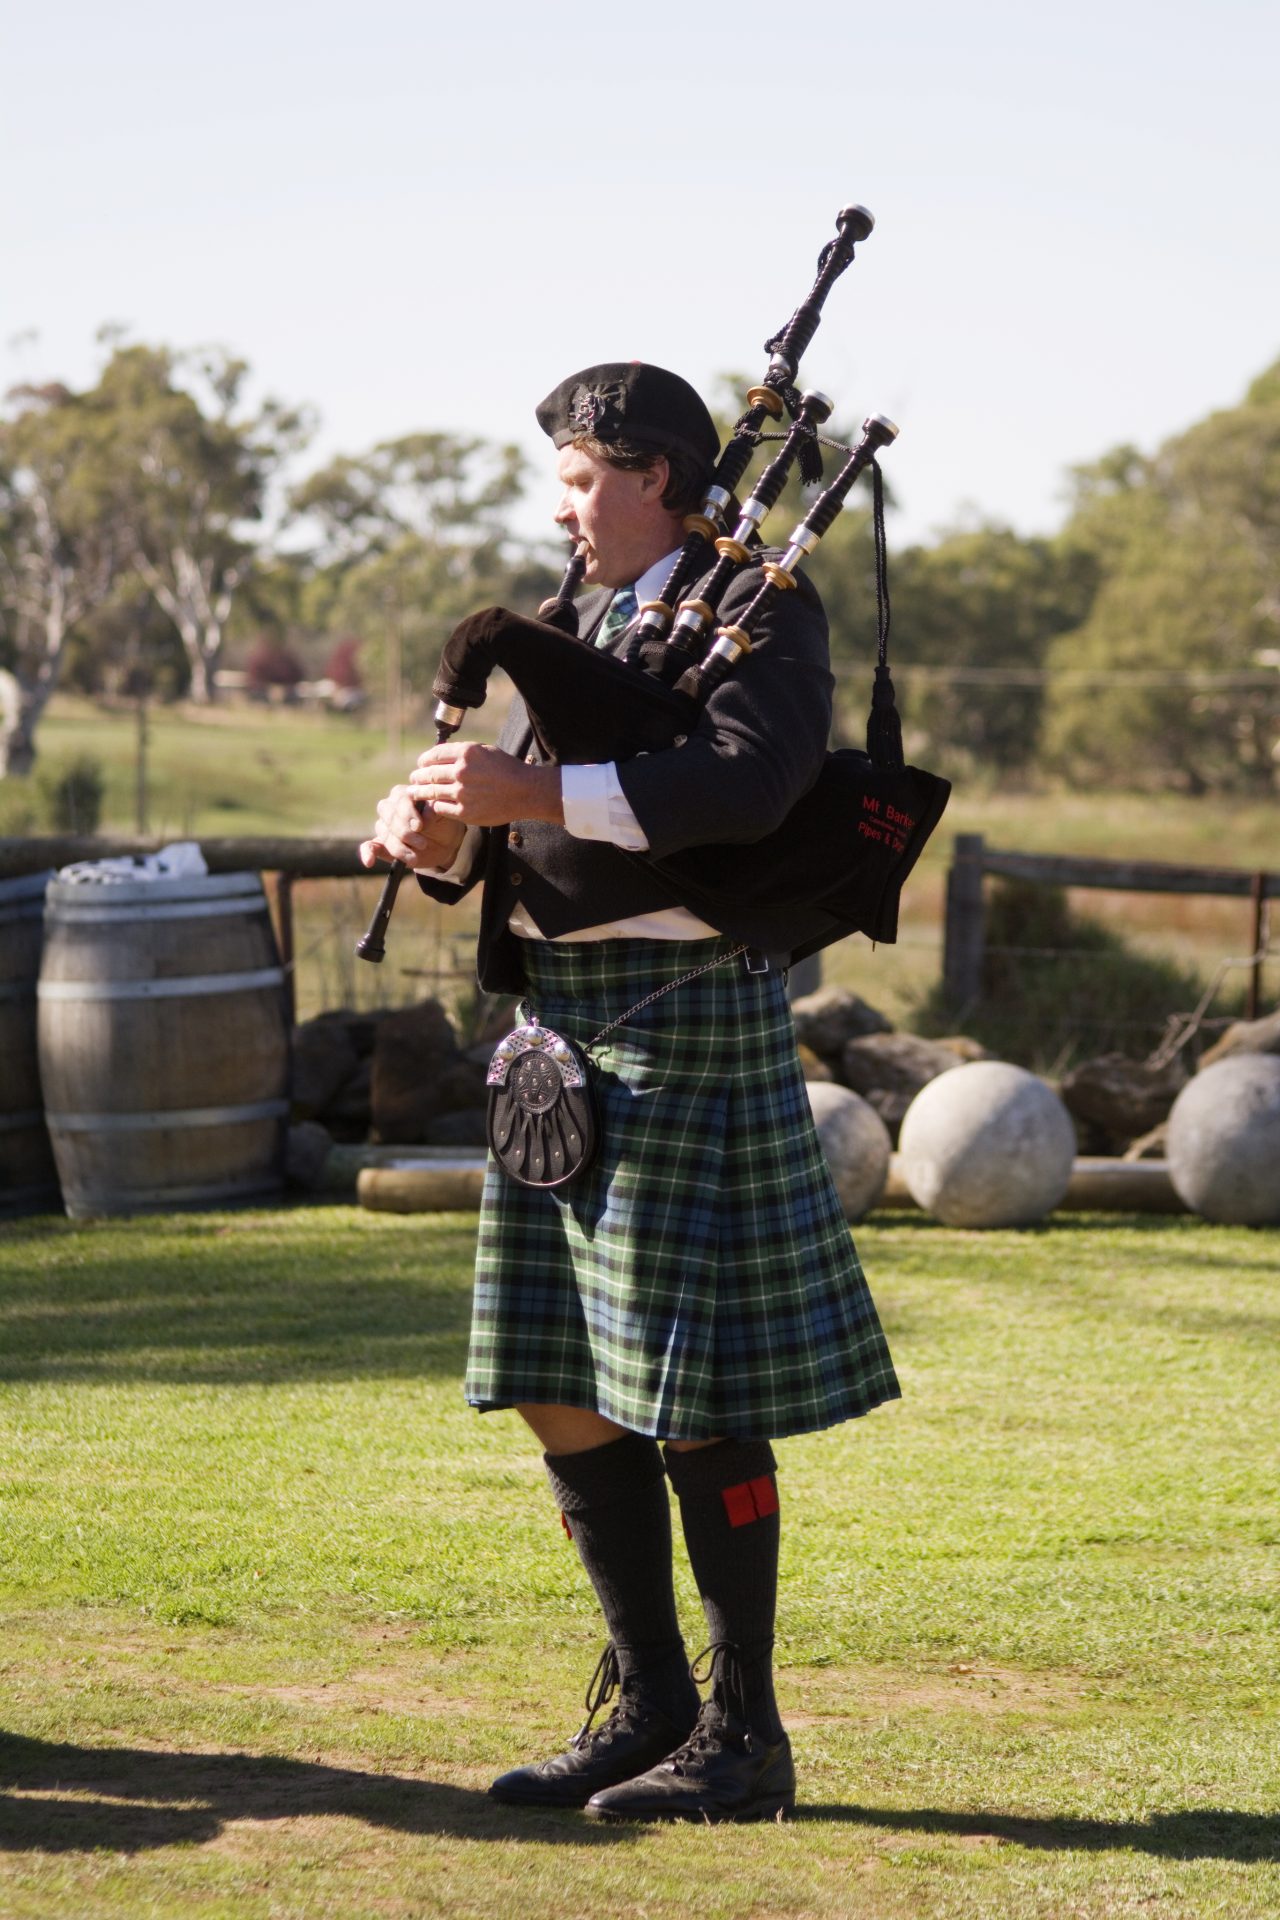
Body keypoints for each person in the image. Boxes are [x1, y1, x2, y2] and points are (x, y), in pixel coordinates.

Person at [360, 361, 900, 1823]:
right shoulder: (590, 623)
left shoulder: (760, 609)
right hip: (559, 1033)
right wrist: (441, 837)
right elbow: (543, 823)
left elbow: (753, 784)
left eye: (586, 478)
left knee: (692, 1396)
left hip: (681, 1023)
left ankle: (743, 1732)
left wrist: (525, 796)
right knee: (555, 1383)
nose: (566, 504)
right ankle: (649, 1699)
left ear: (663, 474)